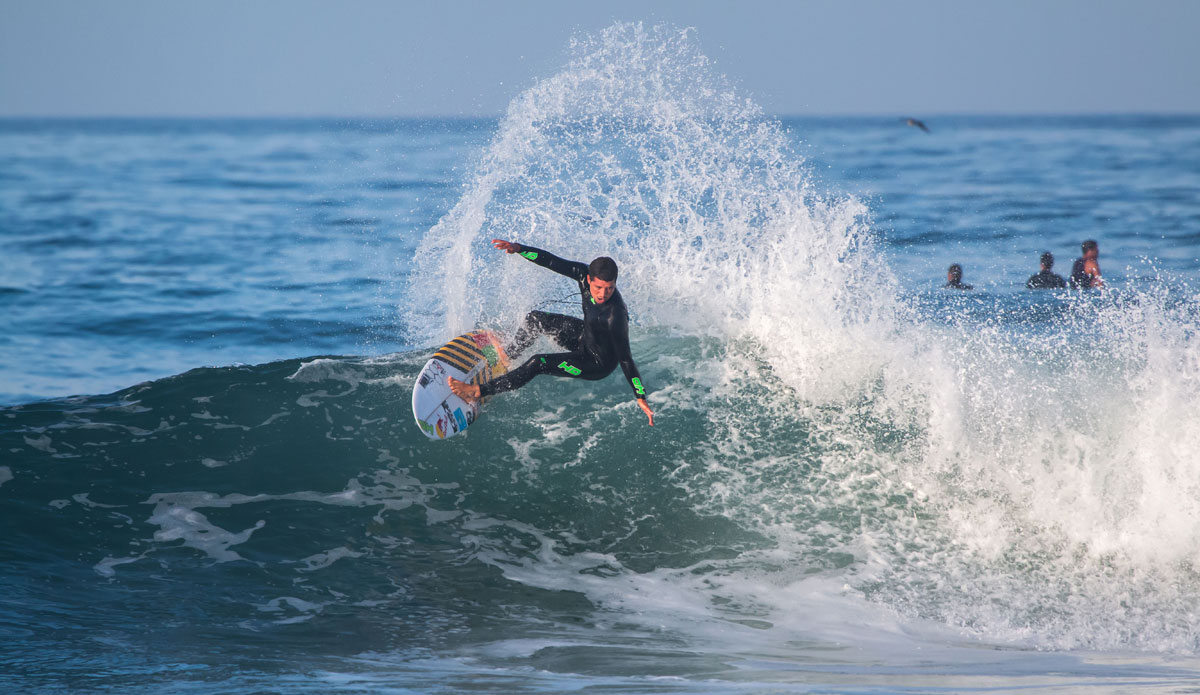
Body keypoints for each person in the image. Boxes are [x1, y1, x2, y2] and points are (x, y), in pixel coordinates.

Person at [447, 239, 654, 426]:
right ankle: (508, 355)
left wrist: (640, 396)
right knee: (536, 318)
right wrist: (520, 249)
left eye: (609, 288)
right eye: (599, 287)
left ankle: (477, 391)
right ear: (589, 279)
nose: (603, 294)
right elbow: (550, 261)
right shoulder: (582, 275)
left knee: (539, 362)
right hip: (586, 337)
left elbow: (626, 359)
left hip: (595, 363)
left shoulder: (614, 316)